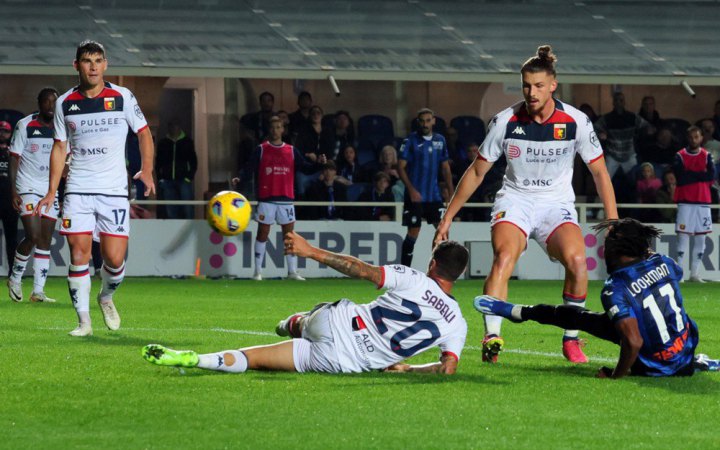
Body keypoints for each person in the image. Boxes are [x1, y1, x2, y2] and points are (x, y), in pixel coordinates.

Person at [435, 45, 618, 364]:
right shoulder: (505, 121)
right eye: (526, 85)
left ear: (552, 86)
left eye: (538, 86)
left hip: (555, 204)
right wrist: (447, 218)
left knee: (577, 261)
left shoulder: (575, 121)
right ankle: (492, 337)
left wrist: (614, 222)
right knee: (505, 257)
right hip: (516, 200)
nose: (531, 92)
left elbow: (600, 171)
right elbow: (477, 171)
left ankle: (571, 338)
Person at [142, 234, 469, 376]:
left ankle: (295, 322)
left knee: (312, 318)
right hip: (342, 362)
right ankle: (198, 361)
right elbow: (447, 368)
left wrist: (310, 251)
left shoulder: (413, 278)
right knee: (255, 359)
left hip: (335, 323)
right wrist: (407, 368)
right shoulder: (457, 322)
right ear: (458, 274)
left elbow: (360, 270)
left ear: (432, 262)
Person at [475, 218, 720, 378]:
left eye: (609, 240)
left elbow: (633, 342)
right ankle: (693, 362)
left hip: (654, 364)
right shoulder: (664, 262)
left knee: (576, 316)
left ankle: (518, 312)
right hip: (684, 351)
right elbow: (667, 276)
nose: (604, 246)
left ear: (618, 247)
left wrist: (615, 375)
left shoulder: (615, 288)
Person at [35, 40, 155, 337]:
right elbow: (59, 148)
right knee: (79, 254)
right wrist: (52, 191)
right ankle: (83, 322)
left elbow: (144, 133)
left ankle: (106, 296)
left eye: (98, 61)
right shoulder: (65, 103)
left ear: (105, 64)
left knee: (114, 260)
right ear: (76, 65)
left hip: (114, 190)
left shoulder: (122, 96)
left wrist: (148, 170)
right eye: (87, 61)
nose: (93, 66)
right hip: (77, 189)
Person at [233, 116, 323, 281]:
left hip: (286, 199)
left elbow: (306, 169)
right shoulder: (261, 149)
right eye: (273, 127)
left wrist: (319, 164)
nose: (275, 130)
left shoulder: (291, 150)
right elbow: (249, 168)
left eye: (278, 127)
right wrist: (240, 178)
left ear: (283, 130)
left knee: (289, 236)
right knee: (262, 233)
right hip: (267, 198)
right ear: (270, 129)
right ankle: (257, 272)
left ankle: (292, 272)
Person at [7, 88, 60, 303]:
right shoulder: (25, 124)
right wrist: (13, 189)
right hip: (27, 187)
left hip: (49, 190)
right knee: (34, 236)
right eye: (46, 102)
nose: (50, 106)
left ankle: (38, 291)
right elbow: (14, 158)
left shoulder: (60, 127)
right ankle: (15, 278)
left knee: (46, 240)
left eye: (54, 102)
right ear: (39, 103)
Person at [397, 108, 454, 267]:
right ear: (418, 122)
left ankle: (437, 269)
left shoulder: (440, 140)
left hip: (434, 196)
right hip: (415, 196)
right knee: (413, 233)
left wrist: (451, 192)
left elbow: (445, 168)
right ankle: (405, 270)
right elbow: (400, 167)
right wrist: (411, 189)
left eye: (428, 120)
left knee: (443, 233)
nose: (425, 124)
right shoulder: (410, 141)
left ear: (433, 121)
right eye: (422, 121)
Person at [672, 126, 715, 282]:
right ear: (687, 138)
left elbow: (711, 175)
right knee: (682, 238)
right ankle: (680, 273)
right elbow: (681, 177)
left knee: (701, 239)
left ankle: (695, 273)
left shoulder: (707, 155)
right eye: (691, 137)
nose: (693, 140)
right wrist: (700, 175)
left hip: (703, 202)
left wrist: (690, 174)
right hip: (685, 202)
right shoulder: (680, 156)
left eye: (696, 137)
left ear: (701, 138)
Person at [156, 119, 197, 219]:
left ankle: (190, 228)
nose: (174, 129)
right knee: (171, 209)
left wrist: (189, 177)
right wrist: (160, 178)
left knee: (187, 207)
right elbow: (158, 162)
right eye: (172, 127)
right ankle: (173, 230)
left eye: (176, 126)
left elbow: (193, 161)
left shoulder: (187, 142)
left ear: (179, 127)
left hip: (184, 179)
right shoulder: (163, 143)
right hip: (167, 180)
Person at [0, 121, 19, 279]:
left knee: (12, 238)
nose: (2, 134)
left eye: (5, 131)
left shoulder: (15, 152)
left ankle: (13, 271)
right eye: (0, 131)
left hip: (9, 201)